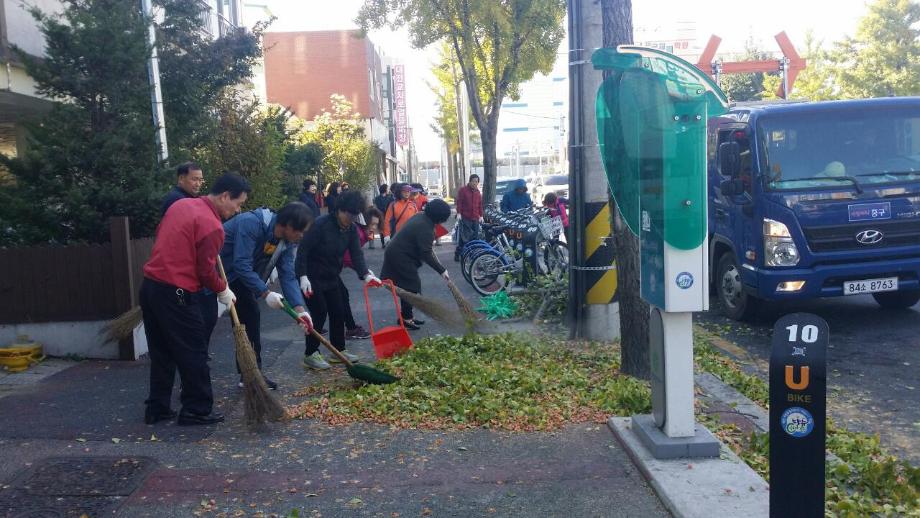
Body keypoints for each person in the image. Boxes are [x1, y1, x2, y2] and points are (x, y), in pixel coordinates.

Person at [140, 172, 249, 426]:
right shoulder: (212, 227)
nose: (238, 209)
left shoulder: (181, 205)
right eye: (238, 203)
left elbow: (163, 234)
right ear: (224, 196)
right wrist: (223, 289)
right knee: (194, 351)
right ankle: (196, 409)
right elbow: (204, 271)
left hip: (150, 287)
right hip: (176, 292)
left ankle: (157, 408)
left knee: (161, 352)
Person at [220, 202, 315, 390]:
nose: (301, 236)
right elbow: (241, 264)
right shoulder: (251, 223)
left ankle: (251, 375)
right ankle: (190, 384)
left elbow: (287, 275)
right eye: (300, 231)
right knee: (202, 329)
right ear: (287, 225)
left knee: (250, 319)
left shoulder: (286, 242)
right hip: (214, 274)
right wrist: (265, 293)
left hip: (240, 278)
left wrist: (299, 310)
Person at [296, 191, 382, 370]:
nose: (351, 219)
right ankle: (310, 353)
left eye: (355, 215)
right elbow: (303, 251)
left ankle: (338, 350)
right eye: (349, 214)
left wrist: (365, 275)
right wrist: (302, 276)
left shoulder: (350, 229)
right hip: (312, 277)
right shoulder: (320, 225)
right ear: (340, 210)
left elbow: (356, 254)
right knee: (319, 313)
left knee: (338, 311)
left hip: (332, 275)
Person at [381, 199, 452, 330]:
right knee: (411, 285)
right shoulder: (425, 226)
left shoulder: (422, 216)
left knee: (407, 285)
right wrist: (441, 270)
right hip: (400, 256)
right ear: (439, 217)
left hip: (398, 252)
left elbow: (426, 248)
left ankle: (407, 316)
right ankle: (406, 318)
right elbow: (426, 253)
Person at [340, 206, 383, 340]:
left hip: (333, 267)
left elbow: (355, 256)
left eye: (376, 224)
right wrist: (364, 273)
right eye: (372, 224)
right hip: (323, 266)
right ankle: (350, 329)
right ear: (364, 221)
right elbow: (348, 257)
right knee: (340, 297)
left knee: (341, 296)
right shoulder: (357, 233)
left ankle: (350, 328)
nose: (374, 227)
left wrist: (364, 271)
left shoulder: (361, 233)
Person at [454, 174, 483, 261]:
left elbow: (480, 205)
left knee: (475, 237)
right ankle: (458, 253)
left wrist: (481, 215)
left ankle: (472, 254)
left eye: (477, 181)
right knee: (465, 238)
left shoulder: (478, 193)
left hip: (475, 218)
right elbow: (459, 202)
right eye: (473, 181)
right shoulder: (463, 190)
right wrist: (459, 213)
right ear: (470, 181)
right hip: (465, 217)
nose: (475, 183)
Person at [372, 184, 393, 249]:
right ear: (385, 189)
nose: (388, 190)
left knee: (389, 228)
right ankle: (383, 243)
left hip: (388, 215)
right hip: (380, 215)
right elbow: (375, 207)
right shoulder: (377, 198)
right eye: (387, 188)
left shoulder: (390, 197)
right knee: (382, 229)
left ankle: (389, 242)